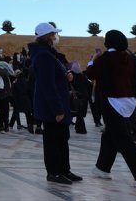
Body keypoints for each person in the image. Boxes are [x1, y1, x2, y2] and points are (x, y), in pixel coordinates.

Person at [87, 30, 136, 189]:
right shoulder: (129, 57)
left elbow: (91, 74)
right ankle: (102, 168)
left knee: (123, 139)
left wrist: (91, 61)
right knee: (111, 134)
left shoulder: (105, 58)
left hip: (112, 101)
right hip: (129, 100)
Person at [28, 23, 81, 185]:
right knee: (53, 141)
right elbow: (47, 85)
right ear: (47, 36)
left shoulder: (49, 53)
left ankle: (64, 170)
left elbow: (54, 76)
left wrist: (66, 75)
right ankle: (54, 172)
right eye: (53, 34)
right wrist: (57, 109)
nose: (55, 37)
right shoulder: (43, 55)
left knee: (62, 138)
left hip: (58, 102)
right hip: (51, 106)